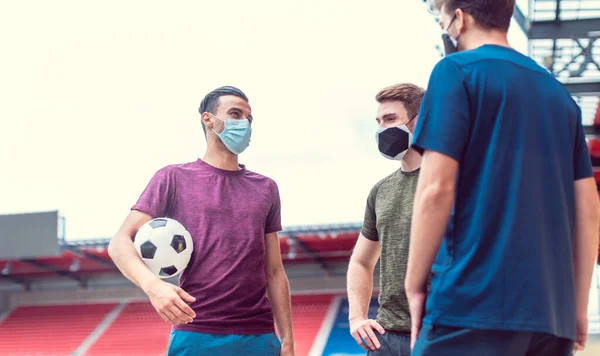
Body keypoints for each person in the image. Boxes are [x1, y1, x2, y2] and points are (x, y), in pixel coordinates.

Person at [404, 1, 600, 355]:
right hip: (550, 319)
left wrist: (414, 285)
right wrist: (577, 306)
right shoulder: (560, 97)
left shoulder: (454, 71)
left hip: (470, 308)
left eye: (443, 19)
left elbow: (435, 188)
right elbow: (588, 209)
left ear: (459, 20)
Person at [108, 86, 295, 356]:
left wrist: (287, 339)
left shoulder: (266, 188)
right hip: (196, 331)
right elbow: (119, 243)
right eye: (235, 114)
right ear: (208, 119)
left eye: (248, 118)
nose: (244, 123)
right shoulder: (173, 178)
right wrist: (154, 287)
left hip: (259, 336)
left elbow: (275, 271)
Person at [347, 83, 425, 355]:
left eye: (390, 119)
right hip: (387, 340)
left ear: (421, 120)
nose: (382, 129)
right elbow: (361, 261)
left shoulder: (456, 181)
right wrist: (356, 318)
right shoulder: (381, 191)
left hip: (442, 334)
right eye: (378, 122)